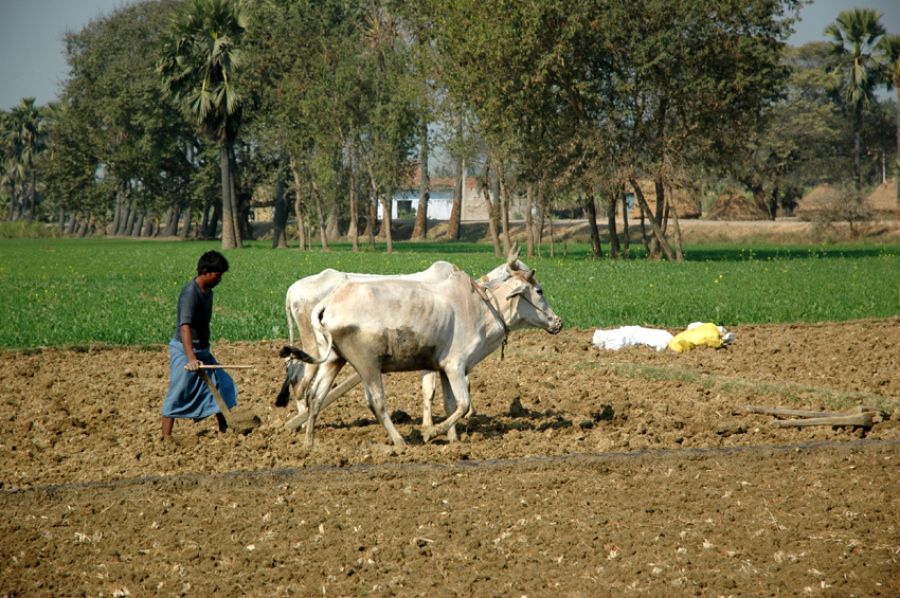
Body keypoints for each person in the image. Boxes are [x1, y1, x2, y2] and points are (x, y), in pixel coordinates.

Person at [161, 250, 237, 438]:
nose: (220, 279)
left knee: (222, 385)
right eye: (217, 275)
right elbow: (185, 327)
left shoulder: (208, 291)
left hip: (202, 350)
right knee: (178, 391)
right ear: (205, 271)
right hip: (185, 350)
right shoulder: (190, 293)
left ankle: (224, 427)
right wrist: (191, 358)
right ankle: (166, 437)